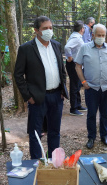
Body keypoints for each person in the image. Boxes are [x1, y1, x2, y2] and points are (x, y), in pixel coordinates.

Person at [14, 16, 68, 159]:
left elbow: (62, 69)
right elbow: (18, 75)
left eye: (50, 28)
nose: (49, 31)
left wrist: (63, 90)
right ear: (36, 30)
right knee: (35, 133)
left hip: (56, 96)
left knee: (55, 131)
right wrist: (28, 96)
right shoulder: (26, 49)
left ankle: (53, 160)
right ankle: (37, 163)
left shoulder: (56, 45)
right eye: (45, 28)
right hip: (37, 98)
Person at [75, 23, 107, 149]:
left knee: (105, 113)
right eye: (98, 35)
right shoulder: (85, 48)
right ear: (93, 35)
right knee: (91, 114)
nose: (101, 37)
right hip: (91, 88)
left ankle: (104, 136)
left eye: (103, 35)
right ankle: (91, 138)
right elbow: (77, 66)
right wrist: (83, 82)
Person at [64, 20, 87, 116]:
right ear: (82, 29)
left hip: (77, 64)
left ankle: (77, 105)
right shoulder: (76, 37)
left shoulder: (76, 36)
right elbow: (67, 47)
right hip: (73, 64)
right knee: (74, 85)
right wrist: (69, 57)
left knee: (77, 84)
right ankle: (73, 108)